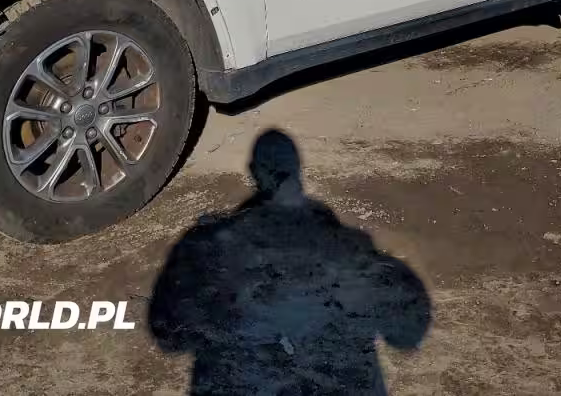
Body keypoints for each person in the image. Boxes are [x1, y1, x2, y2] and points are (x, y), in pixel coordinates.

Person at [149, 129, 431, 395]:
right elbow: (407, 332)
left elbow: (169, 335)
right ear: (297, 173)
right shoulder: (353, 250)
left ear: (255, 173)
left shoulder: (207, 248)